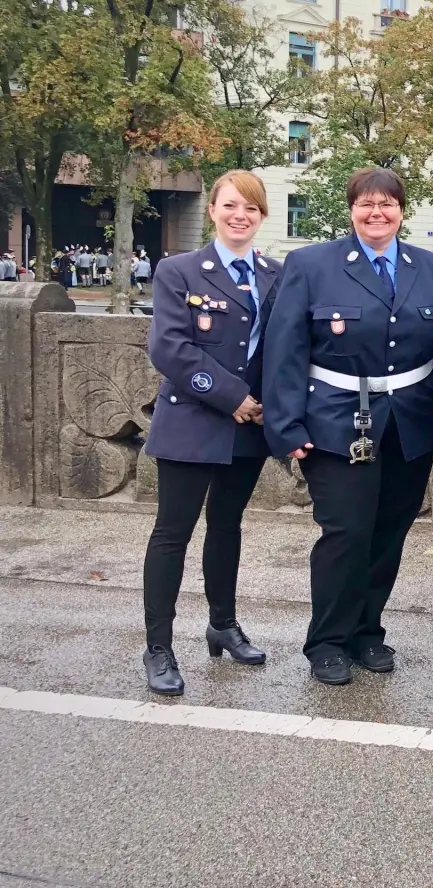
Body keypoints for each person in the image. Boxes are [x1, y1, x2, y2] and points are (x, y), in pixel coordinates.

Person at [263, 167, 433, 686]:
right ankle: (326, 639)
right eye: (366, 204)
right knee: (345, 532)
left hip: (409, 425)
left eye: (388, 204)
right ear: (351, 209)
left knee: (389, 532)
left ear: (402, 210)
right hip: (333, 420)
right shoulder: (310, 265)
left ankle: (367, 631)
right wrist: (284, 424)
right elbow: (283, 350)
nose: (377, 213)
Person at [138, 170, 280, 696]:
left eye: (251, 208)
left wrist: (271, 404)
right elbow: (171, 349)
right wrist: (232, 397)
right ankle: (159, 648)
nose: (240, 215)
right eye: (230, 206)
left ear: (262, 217)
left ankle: (222, 624)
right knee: (172, 533)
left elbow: (281, 349)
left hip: (250, 428)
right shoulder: (179, 271)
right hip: (193, 420)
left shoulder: (275, 274)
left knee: (227, 526)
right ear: (214, 211)